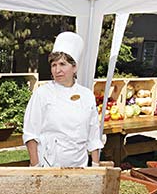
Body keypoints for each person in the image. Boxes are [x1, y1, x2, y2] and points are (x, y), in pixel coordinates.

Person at [23, 31, 103, 167]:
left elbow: (93, 134)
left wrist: (95, 165)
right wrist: (35, 166)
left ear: (74, 67)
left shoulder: (87, 95)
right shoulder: (42, 93)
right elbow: (30, 133)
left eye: (62, 64)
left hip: (79, 166)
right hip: (48, 166)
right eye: (54, 65)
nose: (57, 70)